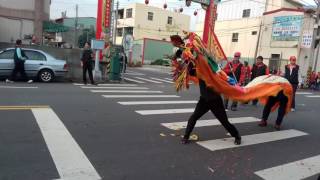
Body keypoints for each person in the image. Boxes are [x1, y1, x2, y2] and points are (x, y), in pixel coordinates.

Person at [182, 78, 242, 145]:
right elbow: (191, 71)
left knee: (224, 121)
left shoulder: (215, 70)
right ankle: (186, 136)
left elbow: (223, 79)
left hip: (215, 101)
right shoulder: (200, 69)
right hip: (204, 100)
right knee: (194, 117)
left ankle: (237, 136)